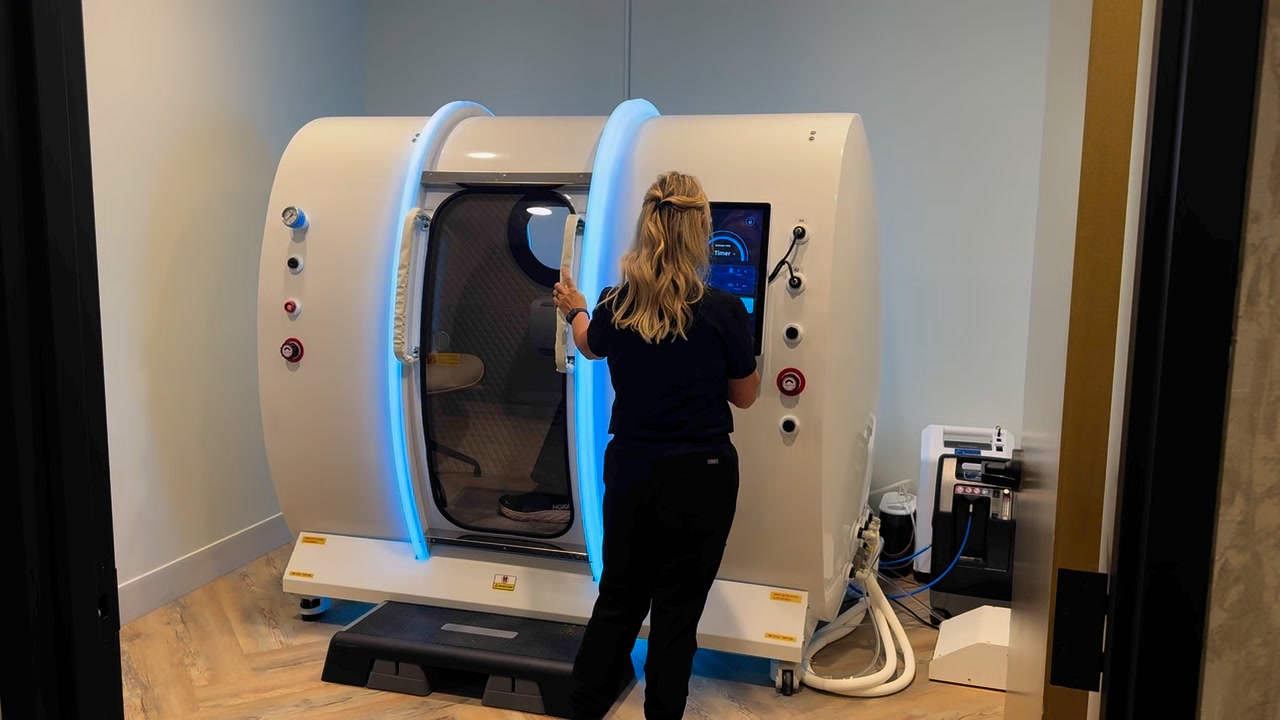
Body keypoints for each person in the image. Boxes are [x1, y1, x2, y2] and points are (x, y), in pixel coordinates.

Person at [552, 171, 762, 720]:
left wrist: (575, 307)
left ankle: (583, 709)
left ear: (647, 225)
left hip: (632, 469)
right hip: (702, 473)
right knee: (677, 613)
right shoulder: (724, 310)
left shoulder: (617, 304)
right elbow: (746, 397)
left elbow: (588, 345)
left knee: (619, 600)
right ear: (701, 230)